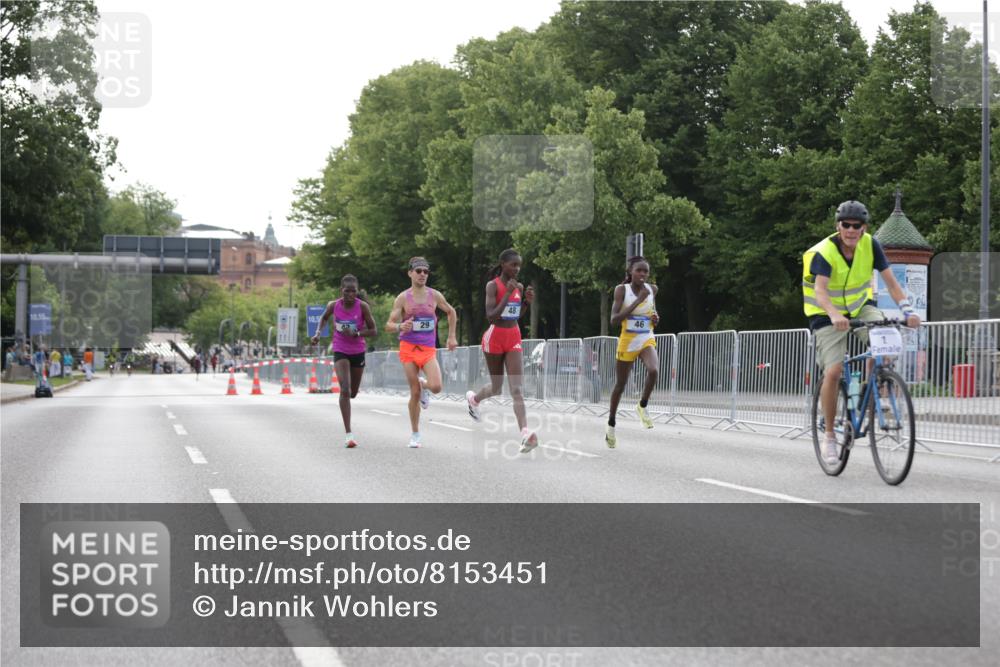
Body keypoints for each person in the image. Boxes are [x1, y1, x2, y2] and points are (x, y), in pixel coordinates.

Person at [803, 200, 921, 465]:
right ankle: (830, 436)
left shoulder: (871, 245)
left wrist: (908, 310)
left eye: (857, 226)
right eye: (846, 225)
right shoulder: (826, 252)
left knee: (888, 343)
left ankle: (876, 386)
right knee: (833, 371)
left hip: (859, 308)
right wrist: (834, 314)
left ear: (864, 228)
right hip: (825, 314)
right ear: (838, 226)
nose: (851, 230)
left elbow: (891, 282)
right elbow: (820, 290)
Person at [465, 249, 539, 453]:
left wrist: (525, 302)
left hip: (513, 337)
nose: (517, 269)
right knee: (497, 387)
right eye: (513, 265)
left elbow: (515, 315)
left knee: (517, 389)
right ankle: (474, 400)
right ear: (503, 264)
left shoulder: (519, 286)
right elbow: (491, 316)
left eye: (519, 265)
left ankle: (525, 434)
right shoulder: (492, 286)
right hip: (494, 338)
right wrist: (507, 293)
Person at [385, 257, 458, 448]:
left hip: (427, 349)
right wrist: (401, 325)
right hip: (408, 348)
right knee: (414, 392)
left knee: (436, 387)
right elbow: (388, 325)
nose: (423, 274)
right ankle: (415, 433)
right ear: (410, 273)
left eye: (426, 271)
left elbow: (451, 312)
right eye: (418, 271)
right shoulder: (402, 298)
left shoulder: (435, 296)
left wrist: (451, 337)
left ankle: (426, 386)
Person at [312, 274, 378, 448]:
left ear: (357, 292)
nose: (350, 295)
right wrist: (318, 333)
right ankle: (348, 434)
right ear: (341, 291)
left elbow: (373, 330)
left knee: (353, 392)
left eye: (353, 291)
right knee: (345, 390)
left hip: (358, 351)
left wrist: (357, 333)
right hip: (340, 349)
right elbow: (324, 317)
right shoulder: (333, 305)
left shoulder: (362, 307)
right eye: (347, 291)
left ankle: (349, 405)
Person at [605, 256, 660, 448]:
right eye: (639, 270)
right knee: (620, 385)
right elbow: (614, 320)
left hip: (646, 337)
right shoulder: (622, 290)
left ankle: (642, 405)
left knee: (653, 370)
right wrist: (637, 301)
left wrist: (655, 318)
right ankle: (611, 423)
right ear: (630, 272)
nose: (642, 274)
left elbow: (652, 315)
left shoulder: (653, 290)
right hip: (628, 340)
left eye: (645, 271)